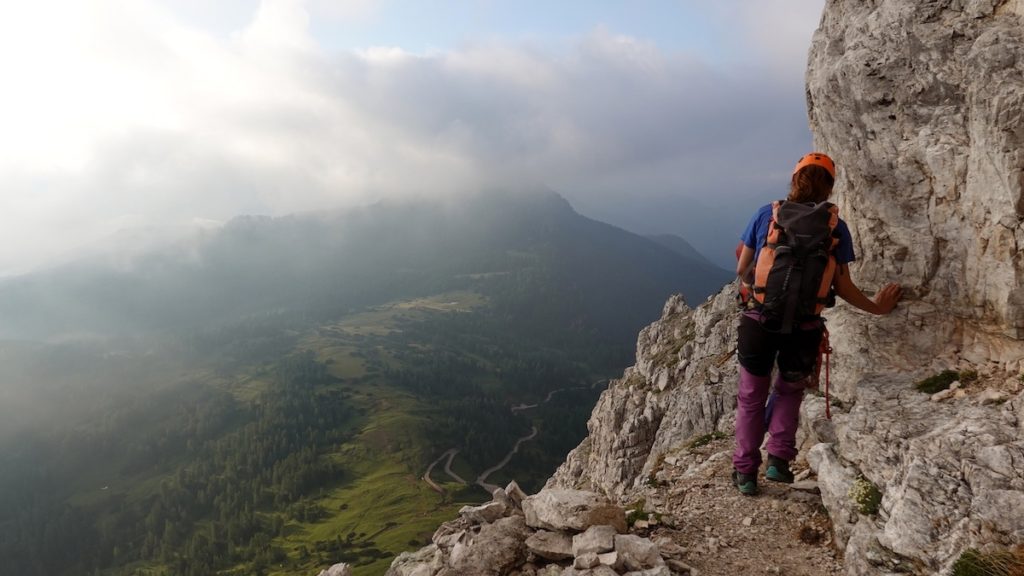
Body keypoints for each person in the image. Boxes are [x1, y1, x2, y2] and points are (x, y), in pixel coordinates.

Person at [731, 152, 902, 496]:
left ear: (795, 180)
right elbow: (843, 286)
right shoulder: (835, 227)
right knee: (790, 391)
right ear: (829, 187)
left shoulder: (768, 214)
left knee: (752, 397)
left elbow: (742, 269)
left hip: (760, 322)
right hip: (805, 328)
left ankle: (746, 473)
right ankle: (779, 459)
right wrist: (879, 308)